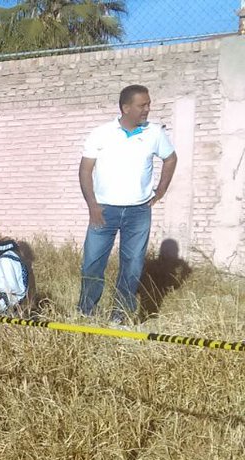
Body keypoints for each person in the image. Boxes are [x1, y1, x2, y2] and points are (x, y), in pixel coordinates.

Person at [78, 84, 178, 324]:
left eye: (149, 104)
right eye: (142, 105)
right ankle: (86, 313)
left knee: (132, 266)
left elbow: (171, 159)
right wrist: (92, 205)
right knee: (92, 264)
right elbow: (85, 170)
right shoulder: (101, 133)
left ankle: (119, 316)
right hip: (103, 210)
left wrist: (160, 191)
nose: (147, 109)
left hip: (138, 212)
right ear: (125, 108)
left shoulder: (154, 133)